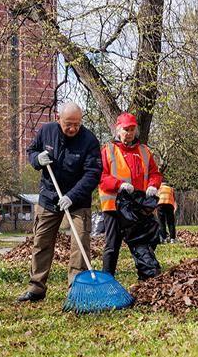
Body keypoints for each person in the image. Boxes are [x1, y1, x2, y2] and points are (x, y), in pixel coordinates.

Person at [16, 102, 102, 303]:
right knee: (41, 241)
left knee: (80, 243)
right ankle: (36, 288)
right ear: (58, 118)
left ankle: (76, 289)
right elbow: (31, 151)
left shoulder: (89, 140)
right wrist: (37, 159)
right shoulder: (46, 131)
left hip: (78, 199)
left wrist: (71, 196)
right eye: (68, 124)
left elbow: (93, 174)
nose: (72, 128)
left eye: (77, 124)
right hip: (49, 195)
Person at [99, 112, 163, 281]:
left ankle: (146, 276)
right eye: (126, 129)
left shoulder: (144, 151)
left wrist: (152, 185)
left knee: (144, 240)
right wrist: (118, 185)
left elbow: (155, 173)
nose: (129, 133)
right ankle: (107, 279)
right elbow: (101, 177)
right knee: (112, 245)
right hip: (113, 205)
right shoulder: (108, 150)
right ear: (118, 130)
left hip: (137, 207)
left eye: (132, 129)